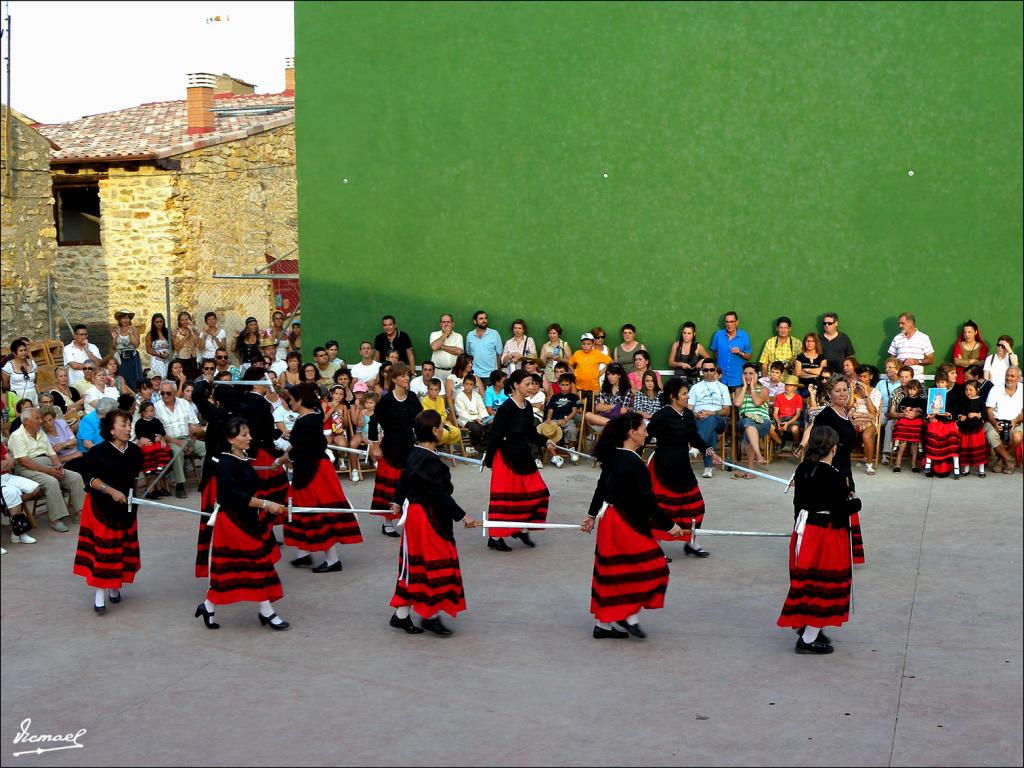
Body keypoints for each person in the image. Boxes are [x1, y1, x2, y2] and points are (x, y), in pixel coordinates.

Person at [582, 412, 686, 639]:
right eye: (643, 429)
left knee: (614, 570)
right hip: (624, 522)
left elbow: (601, 489)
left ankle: (604, 625)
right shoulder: (634, 463)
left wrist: (591, 516)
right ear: (632, 433)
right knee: (654, 566)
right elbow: (648, 501)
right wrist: (669, 526)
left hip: (609, 520)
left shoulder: (613, 456)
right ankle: (628, 615)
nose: (647, 433)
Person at [381, 410, 477, 636]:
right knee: (436, 562)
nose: (444, 430)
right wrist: (463, 516)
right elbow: (438, 495)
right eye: (442, 427)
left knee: (417, 565)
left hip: (418, 515)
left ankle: (402, 616)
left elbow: (405, 478)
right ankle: (430, 616)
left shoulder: (416, 453)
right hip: (427, 517)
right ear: (434, 431)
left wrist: (396, 500)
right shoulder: (428, 460)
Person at [196, 416, 290, 631]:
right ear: (230, 439)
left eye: (249, 433)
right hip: (233, 523)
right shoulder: (226, 463)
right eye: (244, 434)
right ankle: (267, 612)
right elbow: (233, 496)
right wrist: (267, 504)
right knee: (255, 563)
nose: (250, 438)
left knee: (238, 568)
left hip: (246, 519)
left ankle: (208, 606)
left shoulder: (242, 458)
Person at [776, 426, 860, 654]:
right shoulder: (832, 476)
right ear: (833, 448)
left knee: (808, 581)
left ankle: (807, 628)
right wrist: (855, 502)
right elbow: (840, 509)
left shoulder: (803, 469)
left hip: (805, 530)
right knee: (824, 584)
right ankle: (808, 639)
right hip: (825, 535)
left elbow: (798, 502)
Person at [278, 383, 363, 572]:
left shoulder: (306, 421)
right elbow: (301, 445)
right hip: (313, 469)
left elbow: (300, 449)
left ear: (300, 400)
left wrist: (284, 458)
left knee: (318, 512)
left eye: (291, 399)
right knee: (299, 509)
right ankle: (303, 553)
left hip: (314, 472)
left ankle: (332, 560)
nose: (289, 402)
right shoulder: (314, 416)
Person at [72, 409, 143, 614]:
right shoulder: (97, 452)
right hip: (101, 507)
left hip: (127, 506)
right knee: (105, 551)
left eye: (129, 424)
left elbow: (132, 477)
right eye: (124, 424)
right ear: (111, 430)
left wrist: (128, 494)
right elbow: (90, 479)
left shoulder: (135, 451)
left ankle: (114, 586)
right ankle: (99, 595)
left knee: (120, 547)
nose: (129, 428)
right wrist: (111, 491)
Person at [646, 378, 722, 557]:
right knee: (664, 509)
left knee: (695, 507)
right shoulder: (662, 415)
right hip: (664, 466)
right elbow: (645, 437)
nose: (688, 397)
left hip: (682, 466)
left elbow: (694, 437)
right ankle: (655, 546)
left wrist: (709, 452)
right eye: (684, 394)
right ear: (673, 397)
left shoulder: (688, 415)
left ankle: (691, 543)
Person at [483, 369, 556, 551]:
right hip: (506, 458)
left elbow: (531, 432)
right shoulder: (506, 408)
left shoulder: (528, 406)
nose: (531, 387)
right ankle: (495, 537)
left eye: (532, 383)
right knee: (505, 500)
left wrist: (545, 441)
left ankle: (519, 528)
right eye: (527, 384)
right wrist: (490, 460)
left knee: (538, 492)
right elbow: (495, 435)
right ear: (516, 385)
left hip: (523, 455)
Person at [808, 380, 865, 565]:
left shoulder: (845, 413)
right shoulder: (826, 416)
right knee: (834, 511)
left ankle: (840, 553)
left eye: (844, 390)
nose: (842, 394)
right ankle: (827, 555)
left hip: (845, 467)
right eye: (837, 391)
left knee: (845, 511)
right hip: (832, 471)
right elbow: (816, 445)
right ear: (829, 394)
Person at [8, 406, 85, 532]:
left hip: (48, 464)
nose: (40, 421)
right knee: (51, 481)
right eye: (37, 418)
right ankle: (56, 519)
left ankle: (80, 513)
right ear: (27, 422)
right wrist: (49, 471)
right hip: (27, 469)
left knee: (75, 477)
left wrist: (57, 466)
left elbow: (52, 453)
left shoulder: (40, 433)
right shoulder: (17, 436)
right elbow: (24, 461)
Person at [368, 362, 423, 536]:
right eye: (402, 375)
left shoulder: (413, 397)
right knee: (391, 486)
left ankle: (411, 518)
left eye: (408, 374)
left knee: (412, 484)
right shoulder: (386, 400)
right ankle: (388, 522)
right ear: (393, 379)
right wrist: (375, 446)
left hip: (410, 447)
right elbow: (373, 422)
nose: (407, 378)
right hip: (391, 449)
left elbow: (421, 419)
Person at [236, 368, 289, 506]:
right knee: (267, 489)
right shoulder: (261, 403)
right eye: (263, 379)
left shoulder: (245, 399)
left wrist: (280, 433)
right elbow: (257, 428)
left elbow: (259, 427)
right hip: (260, 452)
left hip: (249, 449)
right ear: (254, 384)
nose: (268, 382)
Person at [154, 380, 206, 498]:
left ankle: (205, 480)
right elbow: (159, 432)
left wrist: (191, 442)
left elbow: (194, 425)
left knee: (207, 448)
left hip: (188, 437)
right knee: (177, 452)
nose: (165, 396)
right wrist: (176, 442)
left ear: (174, 392)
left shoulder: (184, 403)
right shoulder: (156, 407)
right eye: (162, 393)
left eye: (168, 393)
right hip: (170, 440)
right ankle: (180, 485)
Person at [688, 360, 731, 478]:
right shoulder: (695, 388)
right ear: (702, 371)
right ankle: (708, 467)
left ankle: (697, 446)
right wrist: (696, 415)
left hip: (719, 419)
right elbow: (688, 410)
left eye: (712, 370)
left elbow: (727, 410)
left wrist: (712, 412)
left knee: (711, 419)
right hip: (699, 420)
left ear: (715, 370)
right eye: (706, 370)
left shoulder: (723, 388)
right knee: (710, 429)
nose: (709, 372)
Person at [732, 363, 771, 477]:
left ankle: (751, 469)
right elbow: (738, 403)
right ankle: (759, 455)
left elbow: (757, 402)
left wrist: (752, 387)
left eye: (751, 374)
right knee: (747, 422)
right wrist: (745, 387)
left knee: (748, 429)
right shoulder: (739, 389)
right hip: (744, 422)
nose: (748, 376)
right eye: (745, 373)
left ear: (756, 375)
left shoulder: (764, 389)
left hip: (762, 423)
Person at [985, 365, 1022, 473]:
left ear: (1018, 378)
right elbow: (989, 410)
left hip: (1015, 422)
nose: (1008, 378)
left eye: (1012, 376)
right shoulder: (996, 388)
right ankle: (1009, 460)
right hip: (996, 421)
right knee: (991, 435)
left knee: (1017, 436)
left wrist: (1015, 421)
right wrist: (994, 423)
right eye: (1007, 375)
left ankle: (1001, 459)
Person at [922, 371, 960, 478]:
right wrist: (930, 415)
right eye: (938, 382)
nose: (939, 385)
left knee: (951, 439)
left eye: (942, 382)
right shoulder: (932, 393)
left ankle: (949, 467)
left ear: (947, 383)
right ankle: (929, 465)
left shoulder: (952, 395)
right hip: (936, 422)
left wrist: (948, 414)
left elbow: (956, 412)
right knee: (932, 435)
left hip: (948, 422)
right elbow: (927, 410)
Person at [849, 365, 881, 474]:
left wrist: (866, 396)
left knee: (866, 436)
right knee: (840, 430)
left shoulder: (876, 392)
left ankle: (869, 465)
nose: (861, 379)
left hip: (869, 420)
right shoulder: (853, 390)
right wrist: (852, 393)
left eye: (864, 377)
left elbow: (873, 412)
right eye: (860, 377)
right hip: (854, 418)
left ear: (871, 377)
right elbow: (848, 408)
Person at [709, 311, 751, 389]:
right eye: (727, 322)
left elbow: (749, 356)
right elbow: (715, 351)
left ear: (737, 322)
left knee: (736, 401)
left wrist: (740, 352)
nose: (729, 324)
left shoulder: (744, 336)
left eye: (732, 321)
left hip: (737, 379)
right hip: (721, 379)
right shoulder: (718, 335)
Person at [956, 379, 989, 477]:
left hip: (976, 430)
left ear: (977, 390)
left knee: (978, 450)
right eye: (966, 390)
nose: (968, 392)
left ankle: (981, 470)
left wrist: (976, 414)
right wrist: (960, 417)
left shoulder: (980, 401)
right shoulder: (963, 400)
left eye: (971, 390)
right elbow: (959, 412)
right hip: (965, 429)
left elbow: (985, 416)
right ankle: (966, 469)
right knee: (966, 449)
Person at [584, 363, 633, 430]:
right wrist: (614, 406)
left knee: (623, 422)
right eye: (608, 374)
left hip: (619, 419)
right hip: (605, 419)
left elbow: (624, 410)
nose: (610, 377)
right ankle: (612, 424)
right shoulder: (604, 388)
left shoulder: (625, 389)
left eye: (613, 374)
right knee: (587, 415)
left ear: (619, 375)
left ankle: (612, 424)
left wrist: (606, 408)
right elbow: (598, 407)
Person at [892, 379, 926, 472]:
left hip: (916, 422)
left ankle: (914, 465)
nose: (911, 391)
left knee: (914, 443)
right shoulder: (905, 399)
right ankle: (897, 464)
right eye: (910, 389)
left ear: (918, 390)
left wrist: (917, 410)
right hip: (906, 421)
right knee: (903, 441)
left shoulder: (921, 400)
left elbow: (924, 410)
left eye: (914, 389)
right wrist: (905, 410)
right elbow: (900, 407)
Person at [888, 312, 934, 380]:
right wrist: (898, 363)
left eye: (902, 323)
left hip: (917, 381)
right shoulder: (897, 338)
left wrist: (916, 361)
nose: (900, 326)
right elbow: (892, 359)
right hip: (900, 380)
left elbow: (931, 359)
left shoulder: (924, 338)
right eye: (899, 323)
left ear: (911, 323)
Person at [39, 406, 85, 475]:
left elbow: (74, 441)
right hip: (66, 463)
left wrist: (63, 445)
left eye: (50, 420)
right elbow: (54, 460)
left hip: (78, 455)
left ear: (54, 418)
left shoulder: (61, 423)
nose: (48, 424)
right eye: (44, 422)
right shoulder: (41, 435)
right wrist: (73, 455)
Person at [133, 400, 172, 479]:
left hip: (157, 441)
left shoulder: (156, 421)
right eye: (147, 411)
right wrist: (149, 438)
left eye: (151, 411)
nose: (149, 413)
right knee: (147, 450)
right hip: (147, 442)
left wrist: (160, 436)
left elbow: (162, 431)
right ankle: (148, 468)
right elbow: (139, 434)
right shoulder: (139, 423)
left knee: (161, 448)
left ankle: (161, 465)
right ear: (142, 412)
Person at [569, 333, 612, 404]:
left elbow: (610, 362)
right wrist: (575, 373)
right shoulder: (577, 354)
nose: (586, 346)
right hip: (580, 387)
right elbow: (569, 363)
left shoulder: (597, 353)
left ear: (593, 343)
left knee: (594, 408)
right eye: (583, 344)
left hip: (593, 388)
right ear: (581, 344)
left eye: (588, 344)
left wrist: (600, 372)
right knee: (581, 408)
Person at [420, 378, 462, 449]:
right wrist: (439, 423)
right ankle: (435, 446)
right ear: (428, 389)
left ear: (439, 391)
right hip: (431, 426)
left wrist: (441, 423)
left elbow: (444, 414)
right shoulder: (424, 401)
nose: (433, 392)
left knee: (456, 432)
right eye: (431, 389)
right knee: (444, 433)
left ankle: (440, 444)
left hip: (441, 423)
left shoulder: (441, 400)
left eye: (436, 390)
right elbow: (427, 417)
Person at [465, 310, 503, 385]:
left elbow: (499, 354)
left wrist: (497, 372)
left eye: (485, 318)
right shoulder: (470, 335)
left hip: (491, 375)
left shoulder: (494, 334)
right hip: (475, 374)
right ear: (475, 321)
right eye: (481, 318)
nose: (484, 320)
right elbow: (468, 354)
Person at [876, 357, 902, 464]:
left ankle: (885, 454)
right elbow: (876, 399)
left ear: (897, 369)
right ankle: (868, 450)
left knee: (890, 424)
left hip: (895, 411)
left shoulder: (902, 383)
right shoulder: (881, 383)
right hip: (882, 411)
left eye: (890, 367)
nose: (887, 369)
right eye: (886, 367)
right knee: (872, 423)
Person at [454, 375, 489, 454]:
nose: (468, 386)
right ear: (463, 384)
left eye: (471, 384)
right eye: (467, 384)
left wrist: (484, 418)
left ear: (474, 386)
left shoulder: (477, 395)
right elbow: (461, 413)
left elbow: (481, 408)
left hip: (479, 418)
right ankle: (476, 446)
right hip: (465, 419)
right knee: (476, 428)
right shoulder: (459, 396)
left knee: (490, 426)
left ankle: (484, 446)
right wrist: (475, 418)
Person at [771, 375, 804, 452]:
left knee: (795, 429)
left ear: (795, 387)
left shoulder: (798, 397)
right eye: (786, 385)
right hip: (779, 418)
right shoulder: (779, 397)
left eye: (790, 385)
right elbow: (775, 413)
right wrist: (778, 422)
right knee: (769, 427)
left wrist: (788, 423)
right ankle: (779, 442)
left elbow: (798, 414)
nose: (787, 387)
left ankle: (796, 443)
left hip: (792, 419)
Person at [111, 310, 143, 390]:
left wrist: (131, 334)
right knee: (122, 376)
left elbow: (136, 344)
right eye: (123, 318)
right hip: (120, 357)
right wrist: (114, 339)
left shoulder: (134, 329)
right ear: (119, 320)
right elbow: (113, 347)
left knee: (133, 378)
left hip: (132, 357)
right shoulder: (116, 330)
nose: (125, 320)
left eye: (127, 318)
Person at [2, 339, 38, 406]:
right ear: (14, 353)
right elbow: (5, 385)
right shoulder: (9, 366)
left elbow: (35, 380)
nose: (24, 352)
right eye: (21, 351)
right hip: (17, 396)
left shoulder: (32, 363)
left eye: (25, 350)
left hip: (32, 394)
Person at [429, 313, 464, 380]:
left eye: (448, 322)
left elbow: (459, 352)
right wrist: (445, 334)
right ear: (440, 324)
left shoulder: (458, 336)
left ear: (453, 324)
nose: (446, 324)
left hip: (454, 371)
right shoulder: (434, 334)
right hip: (437, 371)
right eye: (443, 322)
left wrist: (441, 346)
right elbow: (434, 347)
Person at [952, 320, 988, 386]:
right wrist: (973, 361)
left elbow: (983, 363)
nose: (966, 334)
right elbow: (956, 361)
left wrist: (963, 361)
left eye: (969, 332)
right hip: (960, 380)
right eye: (965, 332)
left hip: (976, 380)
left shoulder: (982, 347)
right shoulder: (958, 345)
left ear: (975, 332)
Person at [172, 311, 200, 379]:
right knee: (183, 378)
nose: (185, 322)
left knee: (194, 378)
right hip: (182, 359)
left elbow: (196, 343)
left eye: (187, 319)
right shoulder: (177, 332)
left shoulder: (194, 330)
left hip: (193, 358)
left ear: (190, 320)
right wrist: (187, 336)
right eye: (182, 320)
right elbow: (176, 347)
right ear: (179, 321)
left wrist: (191, 331)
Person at [144, 313, 171, 379]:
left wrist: (168, 354)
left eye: (161, 321)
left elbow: (172, 346)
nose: (159, 323)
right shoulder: (150, 334)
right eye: (157, 322)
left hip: (168, 359)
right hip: (157, 360)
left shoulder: (167, 332)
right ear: (153, 323)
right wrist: (159, 354)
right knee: (158, 377)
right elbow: (148, 349)